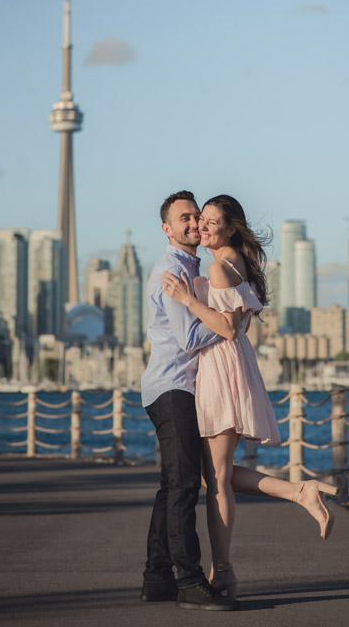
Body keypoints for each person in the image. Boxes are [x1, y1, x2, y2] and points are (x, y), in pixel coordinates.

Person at [161, 194, 337, 599]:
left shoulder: (220, 267)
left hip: (221, 366)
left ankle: (222, 571)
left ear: (231, 228)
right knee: (211, 474)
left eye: (212, 222)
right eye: (201, 220)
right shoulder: (233, 262)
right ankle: (299, 492)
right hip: (230, 365)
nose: (203, 227)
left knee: (217, 478)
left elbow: (226, 329)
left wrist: (187, 299)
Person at [140, 190, 238, 611]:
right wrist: (232, 323)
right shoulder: (172, 269)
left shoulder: (194, 265)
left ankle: (157, 578)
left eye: (196, 216)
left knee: (171, 486)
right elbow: (189, 337)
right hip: (172, 386)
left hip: (181, 387)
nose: (194, 223)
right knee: (182, 486)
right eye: (184, 218)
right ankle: (190, 581)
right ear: (167, 229)